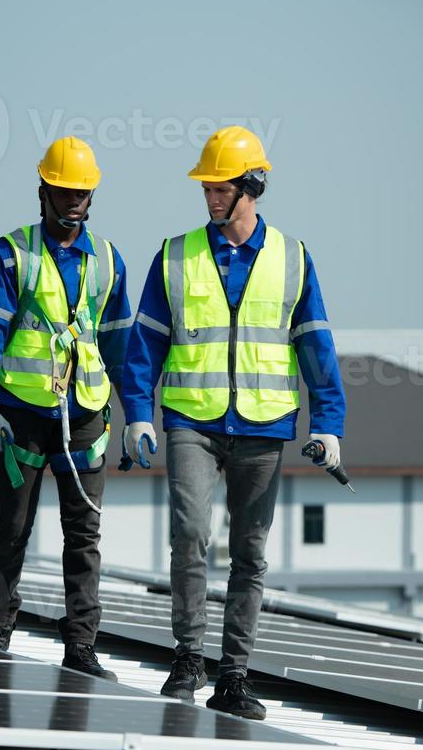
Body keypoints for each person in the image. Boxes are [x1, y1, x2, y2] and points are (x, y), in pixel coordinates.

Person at [121, 126, 346, 718]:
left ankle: (234, 677)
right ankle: (188, 657)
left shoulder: (293, 258)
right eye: (206, 188)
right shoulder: (175, 254)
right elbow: (144, 344)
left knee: (249, 554)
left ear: (251, 187)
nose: (209, 197)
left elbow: (315, 345)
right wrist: (138, 416)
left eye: (218, 187)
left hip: (264, 426)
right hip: (191, 420)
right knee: (189, 534)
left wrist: (329, 424)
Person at [0, 136, 131, 681]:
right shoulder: (11, 252)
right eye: (64, 191)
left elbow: (120, 345)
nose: (74, 202)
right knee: (12, 526)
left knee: (83, 533)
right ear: (44, 191)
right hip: (22, 415)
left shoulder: (108, 261)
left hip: (85, 415)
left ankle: (81, 646)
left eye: (82, 192)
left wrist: (137, 417)